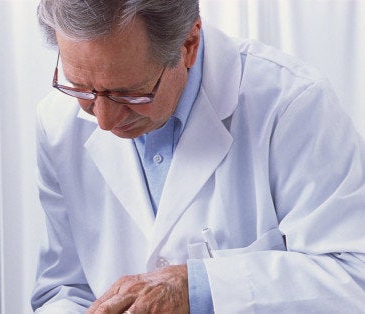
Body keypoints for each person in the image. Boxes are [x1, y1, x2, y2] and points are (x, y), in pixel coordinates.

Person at [31, 0, 365, 313]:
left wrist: (200, 288)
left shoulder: (291, 104)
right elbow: (63, 288)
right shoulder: (56, 122)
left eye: (128, 93)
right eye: (81, 89)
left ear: (188, 45)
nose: (103, 120)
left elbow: (353, 277)